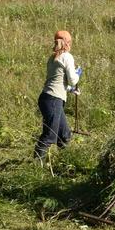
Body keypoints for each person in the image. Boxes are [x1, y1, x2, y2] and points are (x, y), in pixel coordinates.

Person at [35, 30, 81, 161]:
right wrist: (78, 74)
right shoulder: (67, 56)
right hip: (53, 100)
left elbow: (57, 80)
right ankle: (36, 165)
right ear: (68, 43)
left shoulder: (52, 58)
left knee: (65, 134)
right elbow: (72, 80)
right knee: (50, 136)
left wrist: (70, 90)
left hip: (47, 98)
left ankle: (64, 161)